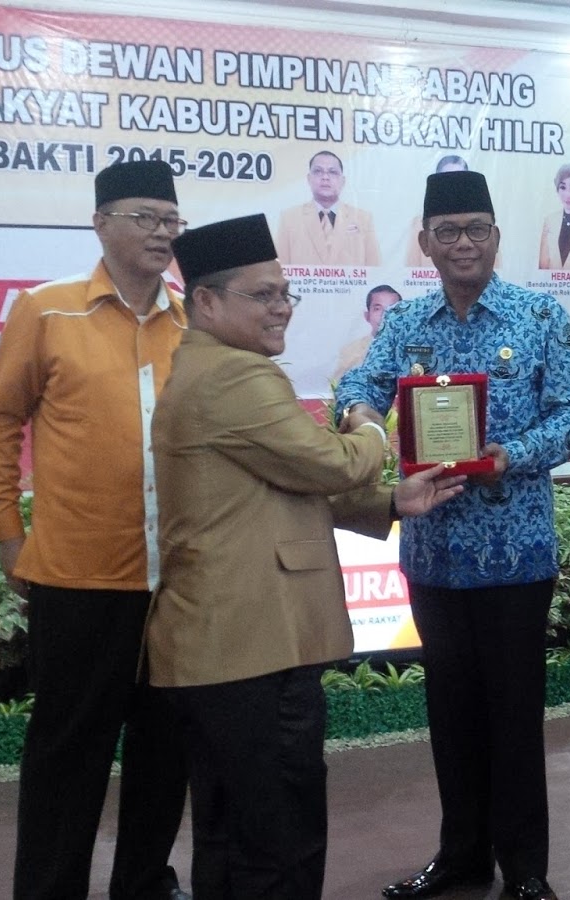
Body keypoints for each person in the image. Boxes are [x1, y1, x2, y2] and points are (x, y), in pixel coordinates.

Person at [146, 213, 466, 898]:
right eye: (262, 295)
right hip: (254, 645)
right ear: (206, 301)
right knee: (280, 839)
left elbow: (275, 488)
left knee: (233, 835)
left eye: (285, 293)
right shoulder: (235, 376)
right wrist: (370, 424)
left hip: (228, 646)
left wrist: (389, 503)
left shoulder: (208, 368)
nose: (281, 308)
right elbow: (331, 464)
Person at [337, 170, 570, 900]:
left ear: (496, 237)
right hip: (434, 557)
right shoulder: (405, 324)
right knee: (450, 715)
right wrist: (363, 419)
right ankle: (461, 856)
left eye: (476, 229)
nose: (463, 243)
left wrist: (510, 456)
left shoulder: (538, 316)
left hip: (515, 553)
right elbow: (358, 388)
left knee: (513, 717)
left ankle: (526, 869)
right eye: (447, 232)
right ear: (425, 242)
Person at [0, 159, 192, 900]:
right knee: (68, 753)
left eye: (171, 219)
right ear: (100, 223)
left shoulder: (193, 321)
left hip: (178, 581)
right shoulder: (47, 311)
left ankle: (144, 883)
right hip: (79, 577)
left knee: (165, 746)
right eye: (144, 217)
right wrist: (9, 532)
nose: (162, 232)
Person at [275, 150, 381, 266]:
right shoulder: (290, 218)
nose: (325, 177)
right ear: (309, 179)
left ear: (343, 181)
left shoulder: (363, 219)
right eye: (318, 171)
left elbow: (375, 269)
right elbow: (279, 269)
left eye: (332, 172)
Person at [405, 155, 470, 267]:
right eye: (447, 179)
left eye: (460, 179)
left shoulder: (484, 223)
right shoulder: (419, 224)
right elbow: (411, 267)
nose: (454, 184)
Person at [331, 284, 402, 384]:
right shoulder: (349, 351)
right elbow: (337, 387)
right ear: (367, 316)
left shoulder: (413, 348)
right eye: (377, 309)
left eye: (393, 309)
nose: (385, 315)